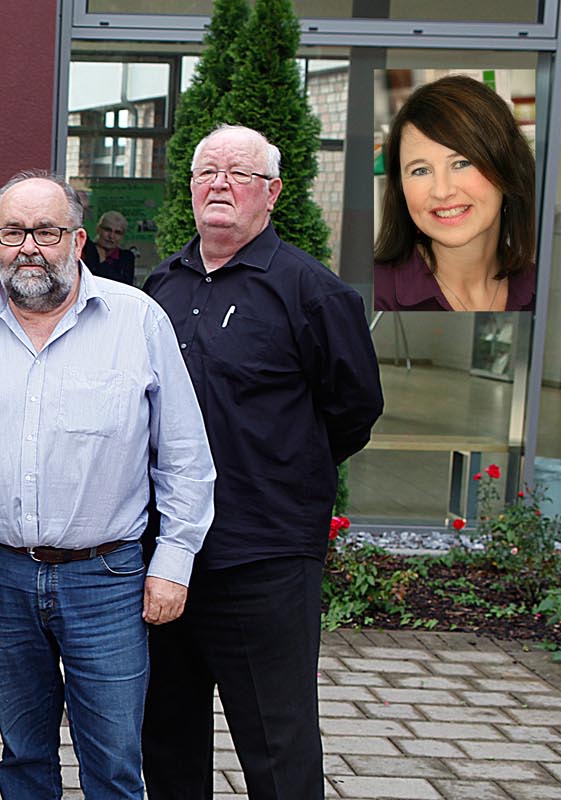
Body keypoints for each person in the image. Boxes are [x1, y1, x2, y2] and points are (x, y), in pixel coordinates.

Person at [0, 171, 215, 798]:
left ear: (77, 241)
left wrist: (174, 561)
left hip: (107, 580)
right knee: (23, 757)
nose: (29, 246)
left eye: (46, 231)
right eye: (13, 232)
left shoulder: (138, 321)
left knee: (113, 762)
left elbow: (185, 455)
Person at [142, 125, 383, 800]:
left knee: (277, 744)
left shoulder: (312, 293)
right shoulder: (163, 285)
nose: (219, 184)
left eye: (239, 174)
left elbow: (353, 410)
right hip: (167, 557)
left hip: (265, 558)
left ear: (272, 193)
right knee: (165, 735)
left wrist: (280, 469)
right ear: (189, 188)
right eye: (205, 172)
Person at [374, 75, 536, 312]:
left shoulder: (544, 292)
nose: (442, 191)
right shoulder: (373, 293)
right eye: (420, 170)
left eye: (461, 163)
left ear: (507, 167)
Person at [81, 210, 136, 285]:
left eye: (117, 233)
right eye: (107, 230)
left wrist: (103, 263)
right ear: (98, 229)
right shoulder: (84, 250)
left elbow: (123, 286)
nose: (111, 236)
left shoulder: (127, 257)